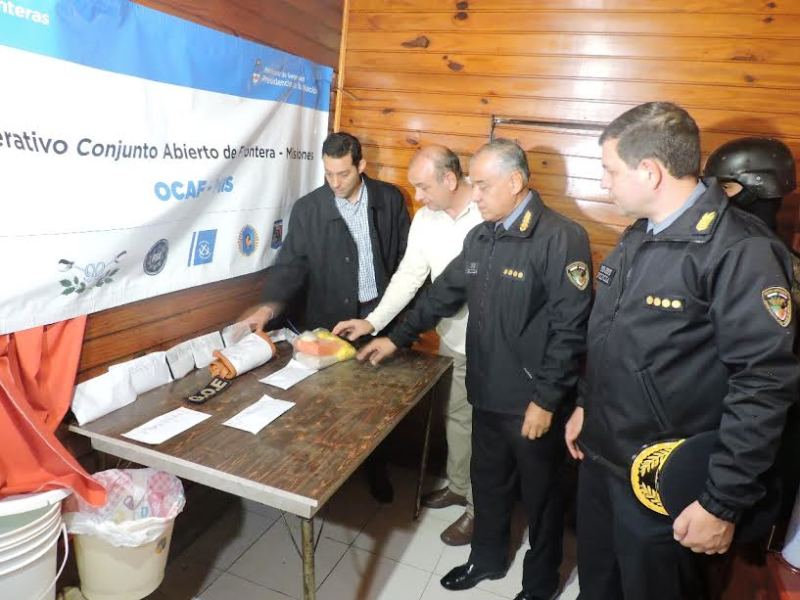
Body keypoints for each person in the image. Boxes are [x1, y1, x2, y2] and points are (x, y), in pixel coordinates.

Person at [565, 102, 799, 600]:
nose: (605, 182)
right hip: (603, 462)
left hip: (663, 482)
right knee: (598, 587)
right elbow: (609, 337)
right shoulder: (639, 234)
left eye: (611, 170)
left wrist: (721, 502)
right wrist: (585, 404)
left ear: (649, 171)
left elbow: (763, 385)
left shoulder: (740, 251)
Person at [360, 139, 592, 600]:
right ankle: (486, 560)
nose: (476, 195)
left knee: (542, 498)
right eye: (473, 184)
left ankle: (540, 583)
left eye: (483, 186)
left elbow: (571, 330)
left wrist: (546, 401)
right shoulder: (481, 236)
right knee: (488, 486)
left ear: (515, 181)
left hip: (531, 403)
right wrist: (393, 337)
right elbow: (440, 296)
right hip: (486, 392)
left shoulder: (560, 237)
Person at [241, 131, 411, 503]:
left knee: (375, 405)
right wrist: (268, 306)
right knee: (326, 403)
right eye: (328, 174)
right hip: (328, 321)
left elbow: (405, 261)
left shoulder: (389, 199)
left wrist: (398, 321)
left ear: (361, 166)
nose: (335, 182)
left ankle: (376, 469)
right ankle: (327, 474)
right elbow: (290, 266)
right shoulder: (309, 209)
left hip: (377, 317)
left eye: (343, 174)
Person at [332, 145, 482, 545]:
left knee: (488, 432)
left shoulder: (488, 208)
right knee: (458, 417)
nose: (417, 196)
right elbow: (410, 275)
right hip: (454, 337)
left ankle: (478, 511)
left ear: (450, 179)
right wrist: (372, 321)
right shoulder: (427, 219)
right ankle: (459, 486)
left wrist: (395, 337)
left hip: (495, 345)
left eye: (423, 187)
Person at [703, 136, 800, 530]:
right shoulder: (723, 250)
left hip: (749, 432)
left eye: (726, 187)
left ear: (760, 187)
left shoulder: (769, 261)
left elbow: (767, 375)